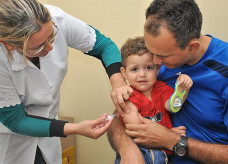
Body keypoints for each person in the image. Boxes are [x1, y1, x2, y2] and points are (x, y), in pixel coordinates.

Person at [0, 0, 128, 164]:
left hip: (49, 132)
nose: (50, 48)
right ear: (9, 44)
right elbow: (16, 121)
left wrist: (118, 81)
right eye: (38, 47)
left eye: (52, 36)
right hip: (11, 140)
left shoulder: (56, 17)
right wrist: (75, 128)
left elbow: (104, 46)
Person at [107, 0, 228, 163]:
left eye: (163, 56)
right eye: (152, 52)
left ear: (192, 47)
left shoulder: (223, 69)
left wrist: (172, 141)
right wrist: (127, 148)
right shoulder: (156, 58)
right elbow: (119, 114)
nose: (156, 62)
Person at [115, 36, 192, 164]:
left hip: (163, 154)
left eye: (148, 68)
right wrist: (167, 135)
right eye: (135, 69)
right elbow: (135, 127)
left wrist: (182, 90)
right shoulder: (129, 96)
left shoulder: (162, 88)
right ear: (124, 73)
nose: (142, 74)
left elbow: (173, 106)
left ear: (158, 69)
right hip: (141, 152)